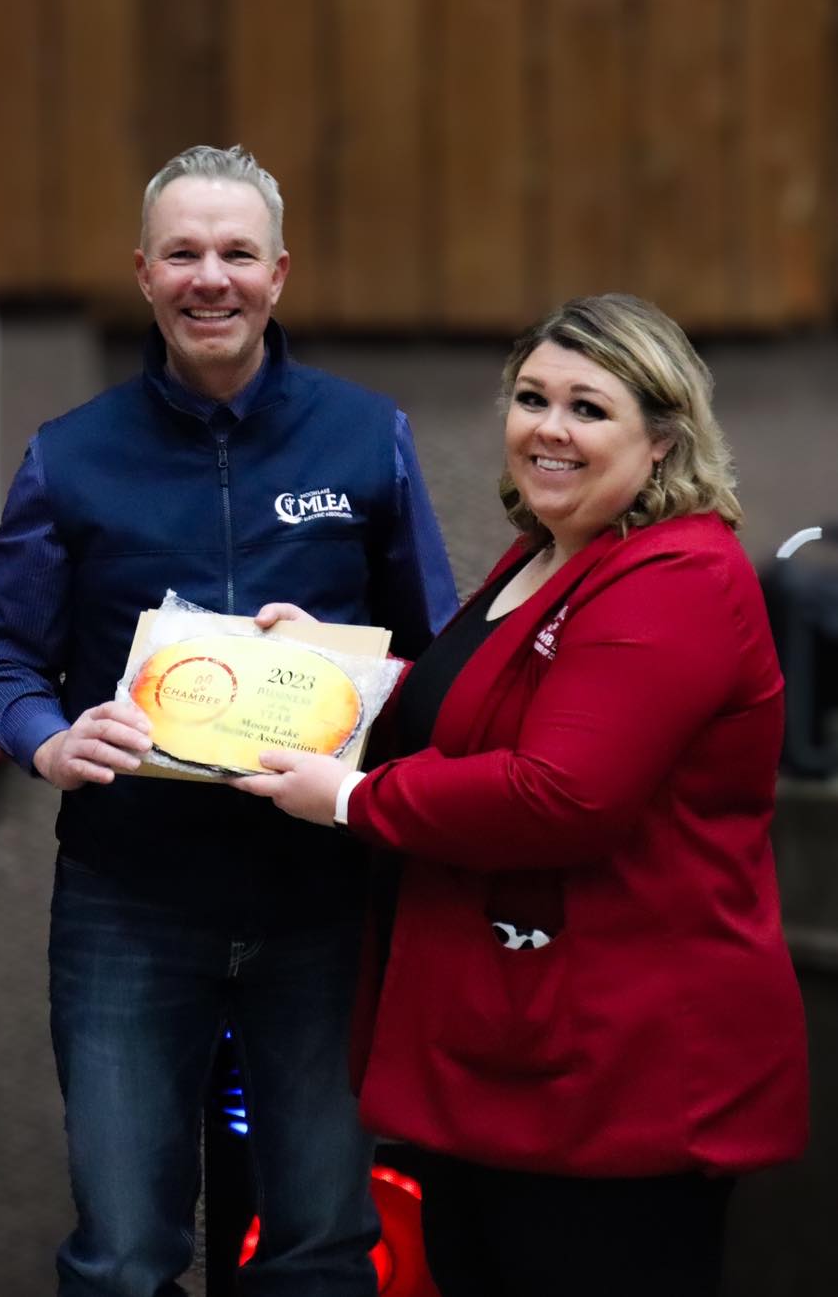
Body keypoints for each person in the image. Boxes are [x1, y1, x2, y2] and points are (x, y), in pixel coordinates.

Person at [235, 293, 809, 1297]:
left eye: (589, 408)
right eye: (532, 397)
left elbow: (561, 793)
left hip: (623, 1076)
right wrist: (336, 671)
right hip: (513, 1060)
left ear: (665, 439)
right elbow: (485, 705)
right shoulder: (552, 552)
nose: (549, 427)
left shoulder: (676, 576)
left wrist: (353, 798)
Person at [0, 143, 457, 1296]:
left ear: (280, 274)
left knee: (324, 1246)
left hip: (320, 905)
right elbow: (0, 658)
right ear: (142, 272)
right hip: (130, 901)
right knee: (126, 1253)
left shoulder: (364, 436)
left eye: (237, 253)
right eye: (183, 253)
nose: (211, 278)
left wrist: (355, 674)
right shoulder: (71, 453)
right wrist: (45, 737)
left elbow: (439, 664)